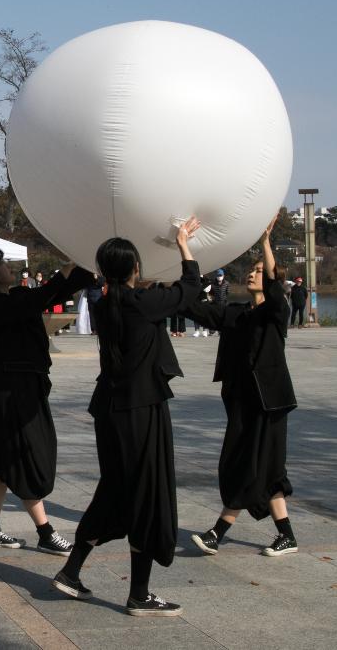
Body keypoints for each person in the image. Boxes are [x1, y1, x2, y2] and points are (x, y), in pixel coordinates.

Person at [53, 217, 203, 617]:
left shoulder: (106, 304)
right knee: (145, 493)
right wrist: (183, 244)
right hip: (141, 410)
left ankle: (71, 571)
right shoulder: (140, 305)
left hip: (110, 408)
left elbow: (147, 295)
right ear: (135, 268)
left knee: (117, 489)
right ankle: (138, 594)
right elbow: (190, 289)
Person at [0, 248, 94, 557]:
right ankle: (45, 532)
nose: (8, 266)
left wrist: (84, 266)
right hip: (14, 392)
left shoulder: (12, 298)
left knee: (1, 463)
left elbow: (53, 292)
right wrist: (67, 268)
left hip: (19, 387)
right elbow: (46, 295)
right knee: (26, 457)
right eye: (1, 264)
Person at [188, 214, 299, 558]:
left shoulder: (275, 314)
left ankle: (217, 533)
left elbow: (276, 294)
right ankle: (287, 537)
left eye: (258, 272)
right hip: (241, 402)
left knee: (249, 466)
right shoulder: (237, 314)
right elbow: (197, 310)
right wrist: (181, 259)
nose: (252, 274)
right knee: (266, 469)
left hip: (269, 403)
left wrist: (265, 244)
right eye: (250, 272)